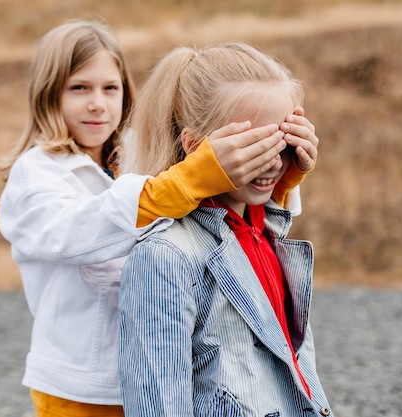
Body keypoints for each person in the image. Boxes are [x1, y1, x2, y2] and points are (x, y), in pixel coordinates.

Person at [0, 20, 319, 417]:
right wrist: (185, 180)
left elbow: (232, 223)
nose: (97, 102)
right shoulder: (36, 176)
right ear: (47, 94)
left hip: (163, 370)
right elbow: (76, 234)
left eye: (110, 88)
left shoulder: (137, 153)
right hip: (84, 388)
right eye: (79, 87)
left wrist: (282, 178)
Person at [118, 42, 331, 417]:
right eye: (254, 146)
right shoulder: (164, 256)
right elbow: (157, 405)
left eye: (283, 142)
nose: (273, 164)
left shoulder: (268, 231)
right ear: (195, 146)